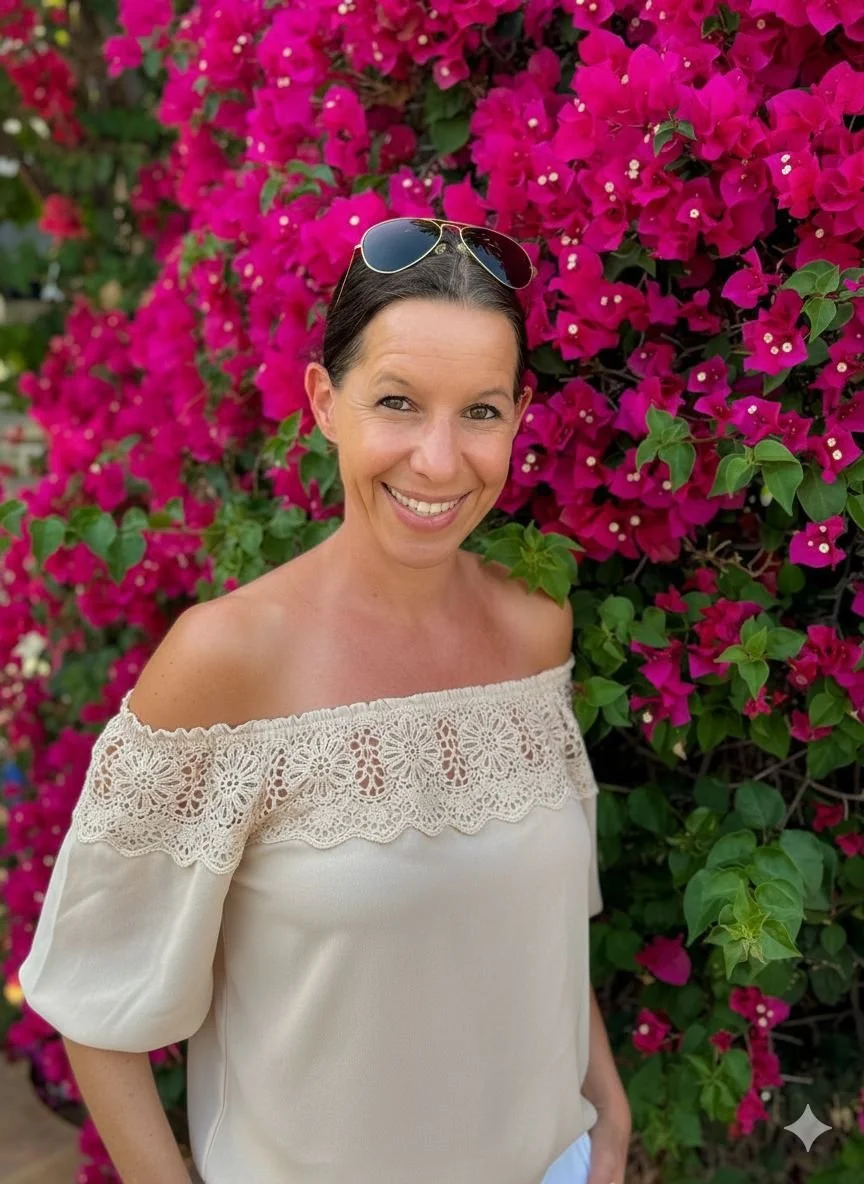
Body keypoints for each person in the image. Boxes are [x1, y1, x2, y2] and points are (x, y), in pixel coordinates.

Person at [18, 218, 632, 1184]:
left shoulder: (534, 631)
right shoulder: (223, 662)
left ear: (521, 415)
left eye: (479, 411)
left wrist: (608, 1112)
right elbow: (96, 1009)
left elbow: (544, 926)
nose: (438, 460)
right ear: (323, 402)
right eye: (397, 402)